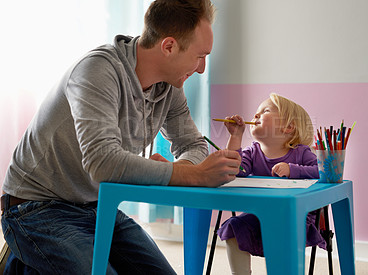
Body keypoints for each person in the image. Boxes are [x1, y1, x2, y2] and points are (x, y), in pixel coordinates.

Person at [1, 0, 242, 274]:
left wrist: (179, 168)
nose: (201, 68)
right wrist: (193, 174)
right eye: (200, 56)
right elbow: (103, 163)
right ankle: (24, 260)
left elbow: (194, 145)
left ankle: (31, 265)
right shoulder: (97, 71)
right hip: (36, 207)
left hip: (97, 206)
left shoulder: (170, 87)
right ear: (169, 46)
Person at [217, 93, 326, 275]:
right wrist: (236, 136)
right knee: (233, 227)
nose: (256, 116)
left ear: (288, 127)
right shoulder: (253, 151)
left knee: (285, 238)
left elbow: (322, 171)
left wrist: (293, 170)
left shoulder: (301, 153)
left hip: (295, 219)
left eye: (265, 111)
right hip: (258, 216)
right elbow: (235, 170)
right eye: (256, 112)